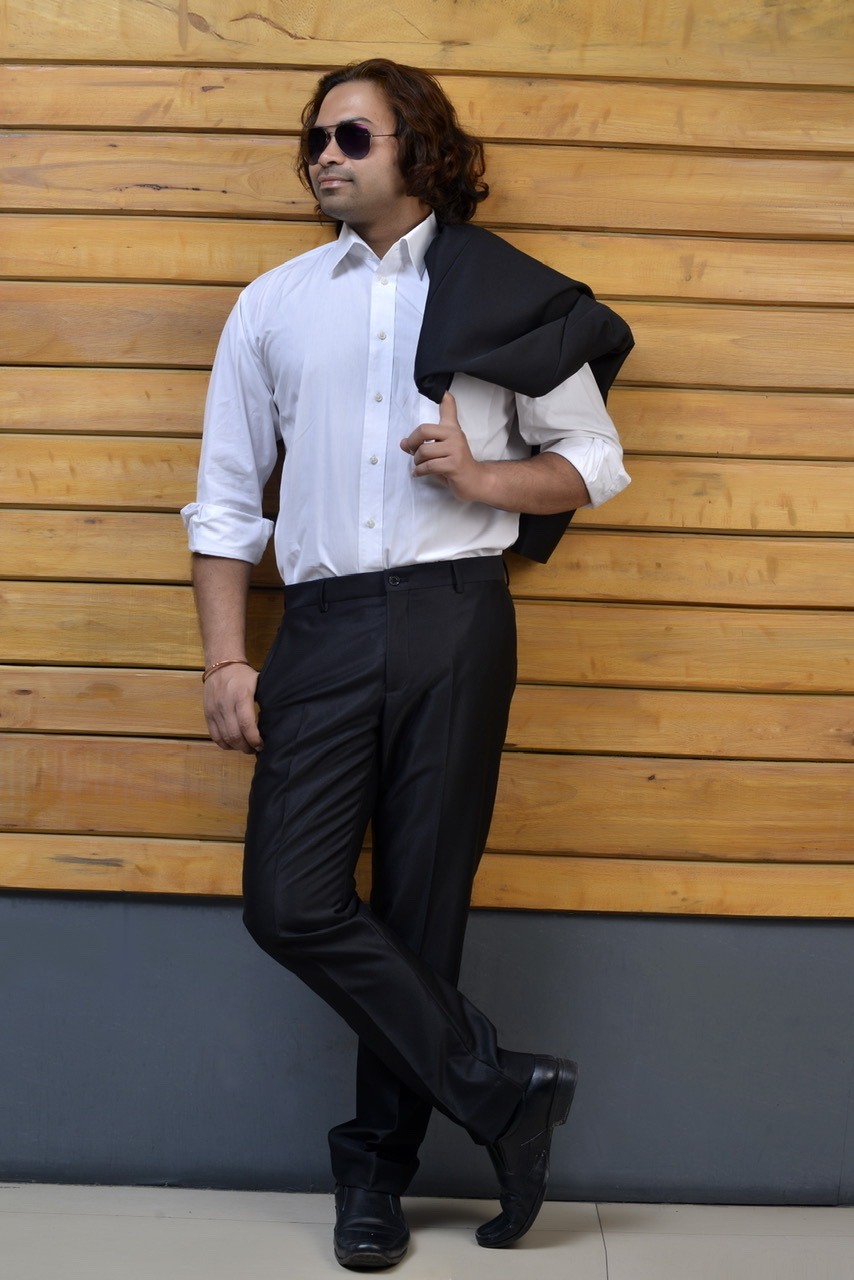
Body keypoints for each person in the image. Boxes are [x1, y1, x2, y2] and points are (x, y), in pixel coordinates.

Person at [182, 58, 633, 1270]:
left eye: (350, 136)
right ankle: (499, 1089)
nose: (322, 156)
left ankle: (373, 1178)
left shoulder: (505, 294)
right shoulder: (273, 304)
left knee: (423, 908)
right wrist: (225, 657)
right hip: (321, 626)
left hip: (455, 617)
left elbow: (592, 460)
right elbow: (224, 500)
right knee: (289, 899)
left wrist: (481, 476)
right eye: (313, 139)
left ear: (416, 151)